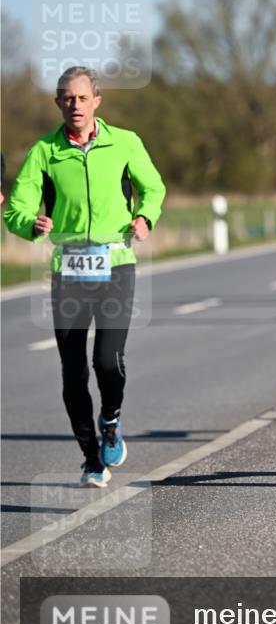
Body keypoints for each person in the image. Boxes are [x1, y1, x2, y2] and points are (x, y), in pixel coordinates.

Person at [4, 66, 166, 487]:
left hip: (116, 264)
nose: (74, 105)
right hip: (68, 269)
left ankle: (110, 420)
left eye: (81, 97)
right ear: (58, 103)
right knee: (73, 371)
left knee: (107, 361)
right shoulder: (44, 151)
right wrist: (29, 224)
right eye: (66, 98)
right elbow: (15, 208)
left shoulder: (125, 142)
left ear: (97, 101)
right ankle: (92, 458)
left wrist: (145, 218)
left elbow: (153, 189)